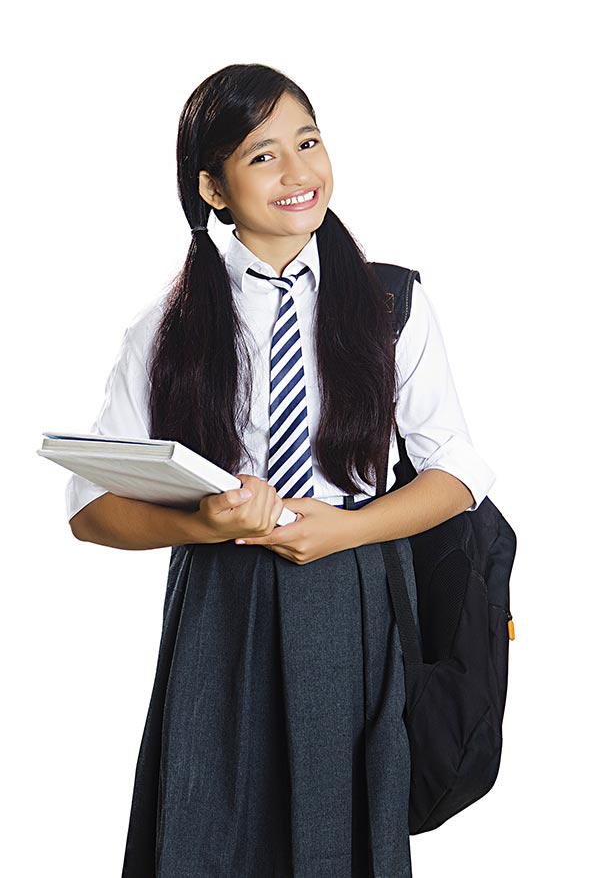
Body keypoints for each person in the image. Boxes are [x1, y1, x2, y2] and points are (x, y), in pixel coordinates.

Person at [66, 63, 496, 878]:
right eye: (263, 156)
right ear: (213, 188)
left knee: (346, 834)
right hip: (220, 598)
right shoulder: (169, 325)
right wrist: (204, 523)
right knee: (210, 824)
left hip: (359, 589)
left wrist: (351, 530)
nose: (299, 172)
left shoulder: (388, 302)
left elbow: (459, 473)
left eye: (309, 141)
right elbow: (92, 508)